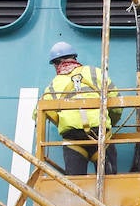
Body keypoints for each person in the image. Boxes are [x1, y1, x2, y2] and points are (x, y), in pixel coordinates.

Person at [37, 41, 120, 176]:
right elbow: (116, 103)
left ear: (57, 64)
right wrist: (110, 122)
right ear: (74, 58)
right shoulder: (96, 72)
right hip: (100, 135)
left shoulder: (55, 84)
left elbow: (42, 113)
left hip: (73, 139)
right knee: (110, 183)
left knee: (74, 187)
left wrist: (63, 121)